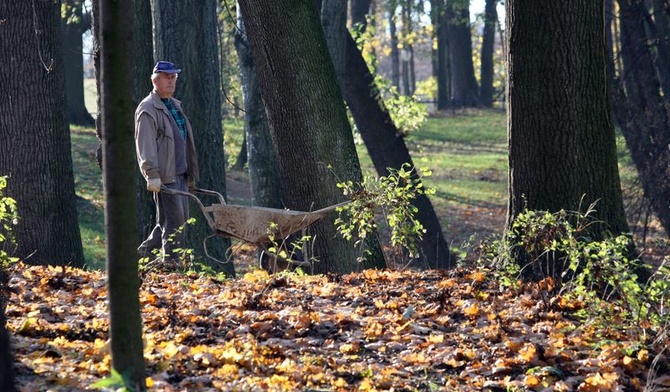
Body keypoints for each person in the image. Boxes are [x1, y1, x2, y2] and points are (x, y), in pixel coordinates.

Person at [135, 61, 199, 263]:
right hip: (165, 177)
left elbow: (184, 143)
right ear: (155, 80)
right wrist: (152, 174)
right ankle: (172, 266)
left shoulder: (173, 105)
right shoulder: (148, 109)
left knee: (169, 221)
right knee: (175, 225)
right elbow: (145, 145)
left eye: (173, 77)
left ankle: (138, 259)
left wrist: (190, 175)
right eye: (166, 77)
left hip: (180, 174)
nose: (171, 81)